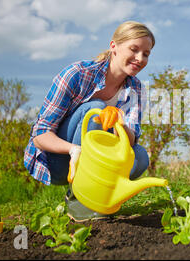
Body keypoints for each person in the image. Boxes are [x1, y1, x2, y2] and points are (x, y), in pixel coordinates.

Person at [24, 21, 155, 221]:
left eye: (145, 54)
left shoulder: (136, 90)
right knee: (95, 110)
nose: (140, 58)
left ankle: (97, 196)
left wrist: (118, 122)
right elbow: (40, 135)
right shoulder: (77, 74)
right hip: (61, 161)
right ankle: (78, 197)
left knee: (140, 157)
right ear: (114, 47)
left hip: (96, 162)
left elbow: (130, 140)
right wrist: (74, 149)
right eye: (134, 49)